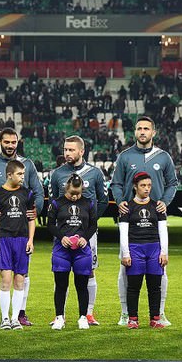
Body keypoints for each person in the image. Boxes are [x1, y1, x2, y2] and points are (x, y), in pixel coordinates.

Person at [108, 116, 178, 326]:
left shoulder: (163, 157)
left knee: (160, 269)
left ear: (153, 132)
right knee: (125, 268)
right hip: (131, 218)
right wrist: (120, 202)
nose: (142, 132)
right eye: (139, 128)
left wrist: (165, 201)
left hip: (156, 218)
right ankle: (125, 313)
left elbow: (172, 183)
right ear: (135, 132)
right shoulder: (125, 156)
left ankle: (160, 313)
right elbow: (116, 183)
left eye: (146, 128)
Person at [0, 128, 43, 327]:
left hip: (21, 230)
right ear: (0, 142)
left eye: (14, 142)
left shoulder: (27, 164)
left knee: (23, 272)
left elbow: (38, 192)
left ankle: (20, 313)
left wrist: (35, 211)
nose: (10, 145)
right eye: (7, 142)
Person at [48, 135, 109, 325]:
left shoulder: (95, 173)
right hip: (64, 235)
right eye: (65, 149)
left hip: (87, 234)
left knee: (89, 271)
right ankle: (60, 315)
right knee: (61, 273)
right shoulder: (57, 174)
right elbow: (54, 202)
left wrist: (89, 224)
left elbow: (103, 200)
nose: (67, 153)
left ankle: (88, 313)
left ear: (81, 151)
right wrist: (62, 231)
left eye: (71, 150)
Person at [0, 159, 37, 330]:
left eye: (23, 174)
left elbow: (31, 219)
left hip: (22, 240)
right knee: (6, 280)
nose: (23, 177)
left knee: (19, 280)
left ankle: (15, 319)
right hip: (4, 240)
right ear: (9, 175)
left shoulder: (27, 194)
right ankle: (5, 319)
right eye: (19, 174)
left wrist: (30, 240)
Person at [118, 172, 170, 330]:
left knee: (155, 287)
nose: (146, 189)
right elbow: (123, 232)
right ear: (135, 187)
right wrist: (125, 253)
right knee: (133, 287)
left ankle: (155, 318)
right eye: (143, 186)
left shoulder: (158, 207)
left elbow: (163, 230)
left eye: (149, 185)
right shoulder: (127, 207)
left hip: (154, 249)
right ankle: (133, 319)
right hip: (135, 249)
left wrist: (164, 252)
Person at [48, 173, 98, 331]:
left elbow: (93, 225)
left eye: (78, 193)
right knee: (61, 285)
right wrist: (61, 237)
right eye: (72, 193)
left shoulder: (88, 203)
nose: (75, 196)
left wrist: (85, 238)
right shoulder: (57, 203)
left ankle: (83, 317)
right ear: (66, 189)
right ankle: (59, 317)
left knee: (81, 285)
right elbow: (50, 224)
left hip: (82, 251)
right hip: (61, 249)